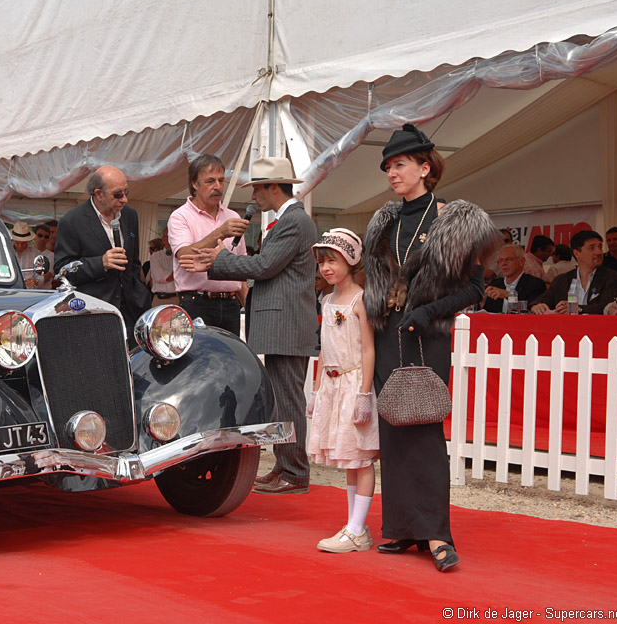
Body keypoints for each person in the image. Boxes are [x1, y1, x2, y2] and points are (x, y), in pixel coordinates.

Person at [363, 123, 499, 573]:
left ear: (425, 167)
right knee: (393, 432)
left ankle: (437, 533)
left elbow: (476, 290)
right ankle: (404, 527)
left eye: (399, 164)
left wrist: (428, 311)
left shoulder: (454, 220)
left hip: (427, 337)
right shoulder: (383, 223)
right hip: (388, 337)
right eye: (387, 167)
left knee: (423, 434)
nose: (391, 173)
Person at [179, 156, 317, 495]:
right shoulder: (288, 220)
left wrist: (218, 260)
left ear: (273, 188)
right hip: (282, 320)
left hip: (286, 321)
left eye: (257, 188)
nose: (253, 196)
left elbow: (266, 266)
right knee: (283, 398)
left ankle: (295, 471)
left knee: (287, 398)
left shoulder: (294, 221)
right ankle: (286, 465)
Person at [306, 229, 378, 553]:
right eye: (322, 262)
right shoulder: (326, 299)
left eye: (333, 260)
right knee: (349, 458)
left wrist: (363, 394)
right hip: (332, 385)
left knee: (360, 458)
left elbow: (367, 349)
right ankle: (354, 526)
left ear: (350, 260)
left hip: (353, 384)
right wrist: (317, 386)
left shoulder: (360, 299)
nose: (326, 268)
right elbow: (324, 348)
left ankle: (356, 528)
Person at [53, 166, 152, 340]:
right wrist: (101, 263)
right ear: (98, 194)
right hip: (93, 313)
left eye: (126, 191)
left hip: (131, 310)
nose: (125, 199)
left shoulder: (130, 215)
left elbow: (134, 263)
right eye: (118, 194)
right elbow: (63, 270)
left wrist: (140, 294)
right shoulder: (72, 221)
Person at [167, 154, 249, 335]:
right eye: (210, 181)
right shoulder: (180, 216)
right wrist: (221, 232)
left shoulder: (233, 217)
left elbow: (241, 271)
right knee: (199, 361)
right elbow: (185, 256)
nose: (218, 187)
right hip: (197, 303)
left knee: (230, 361)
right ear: (195, 184)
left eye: (221, 180)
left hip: (231, 305)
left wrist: (249, 309)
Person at [529, 229, 617, 315]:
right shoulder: (561, 280)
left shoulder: (613, 278)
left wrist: (577, 309)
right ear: (577, 253)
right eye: (592, 248)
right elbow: (541, 300)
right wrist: (537, 306)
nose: (599, 252)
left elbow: (609, 306)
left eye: (600, 247)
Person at [482, 244, 546, 313]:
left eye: (508, 259)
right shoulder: (495, 284)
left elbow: (531, 308)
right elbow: (487, 312)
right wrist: (481, 302)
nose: (503, 263)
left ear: (521, 262)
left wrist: (509, 296)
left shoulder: (535, 284)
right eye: (500, 260)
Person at [148, 229, 176, 306]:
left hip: (176, 299)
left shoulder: (179, 256)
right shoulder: (156, 256)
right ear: (163, 239)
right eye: (168, 236)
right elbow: (159, 277)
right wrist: (178, 274)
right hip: (159, 300)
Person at [10, 221, 38, 288]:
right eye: (17, 243)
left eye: (23, 243)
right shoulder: (6, 251)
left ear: (28, 241)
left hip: (28, 292)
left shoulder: (36, 253)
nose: (20, 246)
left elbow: (40, 275)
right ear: (13, 240)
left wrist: (35, 281)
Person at [29, 224, 55, 290]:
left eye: (46, 236)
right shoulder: (27, 252)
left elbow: (46, 276)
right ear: (34, 236)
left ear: (49, 239)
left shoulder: (51, 256)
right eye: (40, 235)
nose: (43, 238)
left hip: (43, 292)